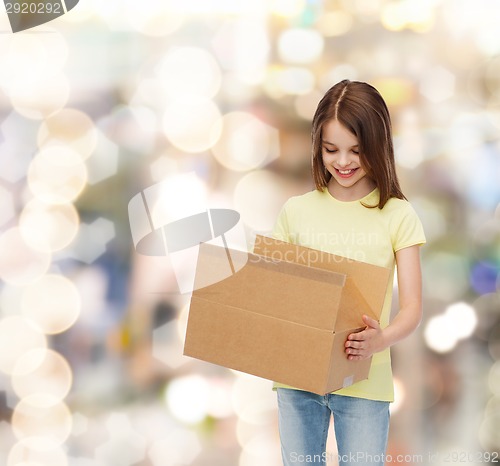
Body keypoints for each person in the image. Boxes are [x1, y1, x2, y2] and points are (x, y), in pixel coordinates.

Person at [271, 79, 426, 466]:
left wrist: (380, 339)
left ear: (379, 146)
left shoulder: (397, 215)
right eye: (331, 149)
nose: (343, 162)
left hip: (365, 379)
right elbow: (272, 289)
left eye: (357, 151)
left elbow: (411, 308)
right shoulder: (296, 211)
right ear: (317, 148)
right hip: (297, 376)